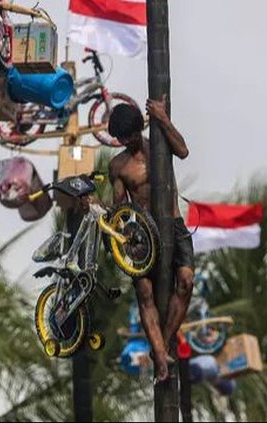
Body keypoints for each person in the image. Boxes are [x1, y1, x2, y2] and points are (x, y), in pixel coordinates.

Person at [107, 95, 195, 382]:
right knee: (145, 294)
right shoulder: (118, 166)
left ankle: (165, 343)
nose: (126, 141)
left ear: (139, 129)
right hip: (143, 234)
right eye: (121, 138)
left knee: (185, 281)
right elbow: (119, 207)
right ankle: (160, 359)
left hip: (174, 223)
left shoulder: (158, 143)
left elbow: (183, 151)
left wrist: (163, 118)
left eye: (130, 135)